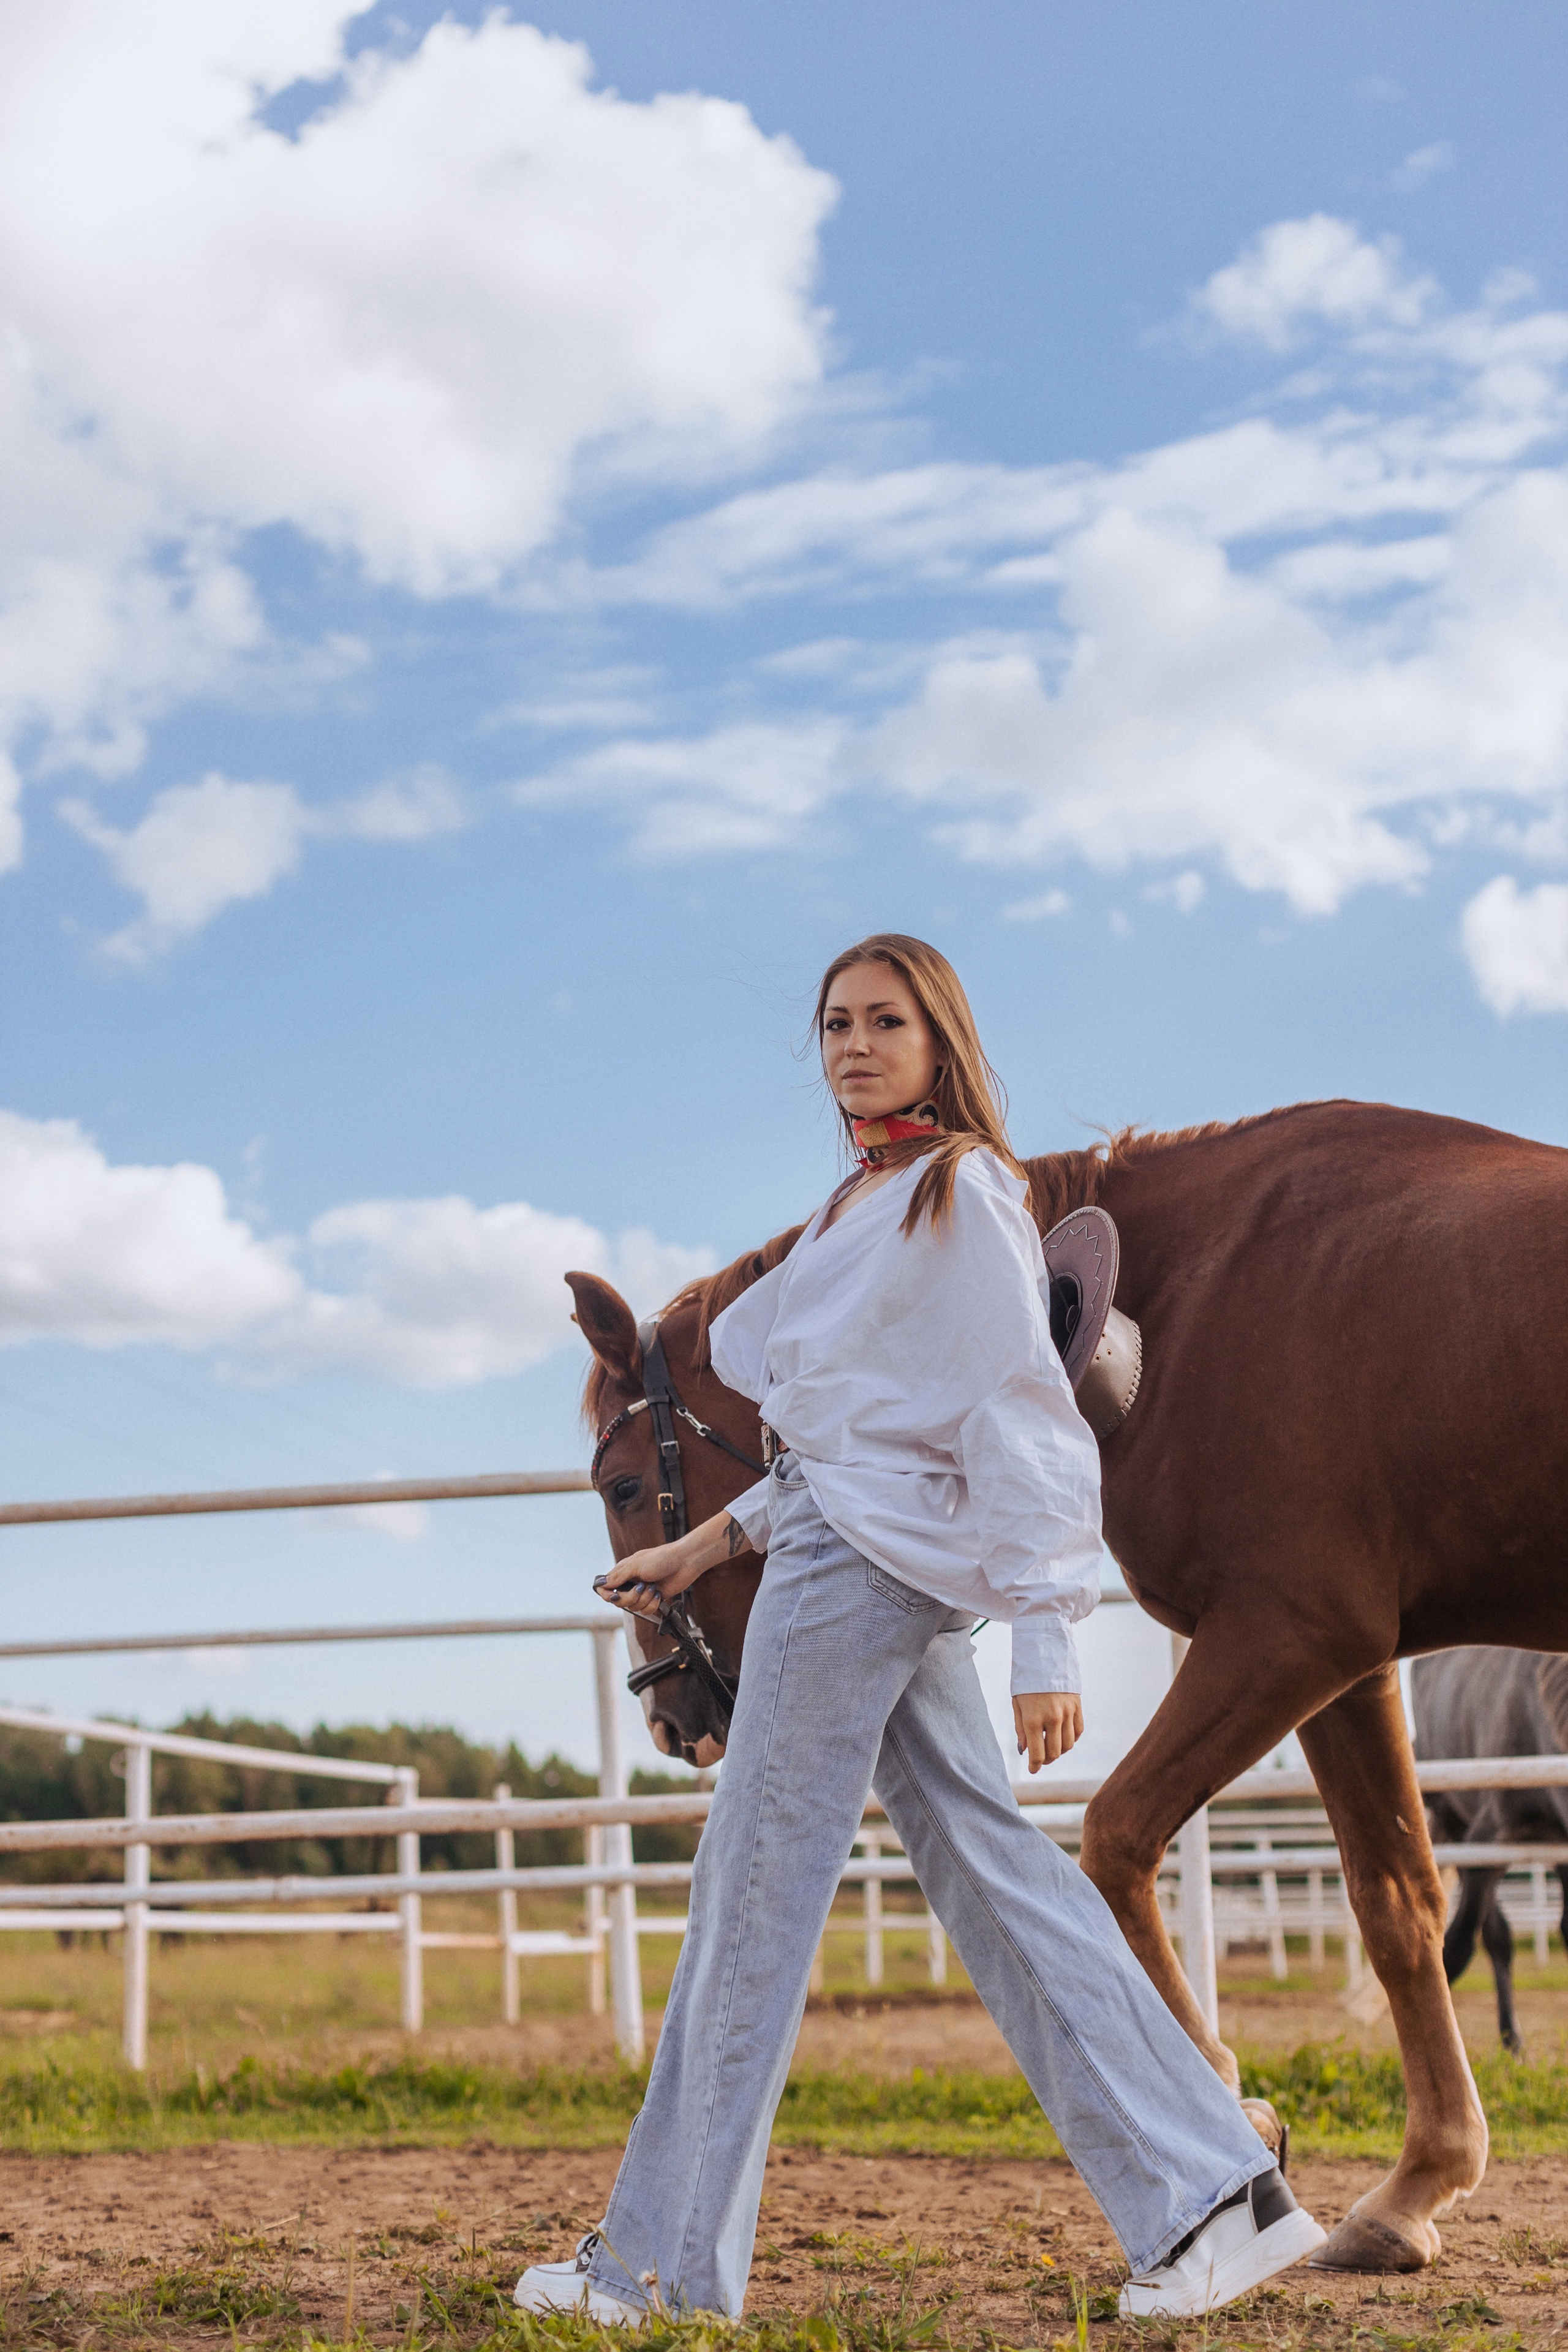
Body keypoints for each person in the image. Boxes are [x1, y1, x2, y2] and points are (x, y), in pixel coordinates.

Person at [516, 933, 1324, 2323]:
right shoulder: (860, 1204)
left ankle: (656, 2269)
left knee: (747, 1902)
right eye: (835, 1023)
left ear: (940, 1041)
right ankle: (1214, 2199)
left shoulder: (959, 1193)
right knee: (994, 1876)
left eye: (884, 1021)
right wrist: (700, 1546)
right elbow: (850, 1453)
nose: (853, 1044)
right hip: (855, 1556)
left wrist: (1050, 1631)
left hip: (851, 1584)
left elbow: (1017, 1407)